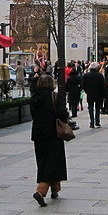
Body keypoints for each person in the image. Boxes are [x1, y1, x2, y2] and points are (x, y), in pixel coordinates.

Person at [30, 74, 68, 207]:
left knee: (43, 161)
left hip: (38, 134)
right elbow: (63, 114)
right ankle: (41, 191)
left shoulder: (34, 97)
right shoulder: (55, 96)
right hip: (53, 133)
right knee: (53, 161)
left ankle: (55, 189)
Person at [81, 62, 105, 129]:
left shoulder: (86, 75)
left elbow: (83, 85)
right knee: (97, 108)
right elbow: (103, 86)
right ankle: (97, 121)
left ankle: (92, 122)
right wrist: (103, 94)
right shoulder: (100, 75)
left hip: (90, 94)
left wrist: (86, 91)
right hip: (98, 94)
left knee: (90, 108)